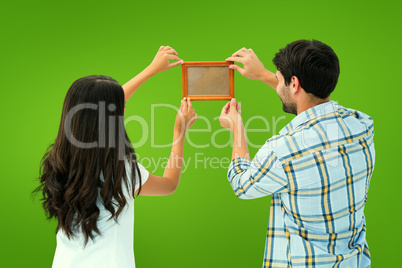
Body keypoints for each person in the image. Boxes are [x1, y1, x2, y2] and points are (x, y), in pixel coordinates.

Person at [34, 46, 198, 268]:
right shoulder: (121, 171)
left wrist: (150, 70)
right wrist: (180, 132)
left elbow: (101, 108)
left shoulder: (59, 160)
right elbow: (169, 184)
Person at [220, 40, 374, 267]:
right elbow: (312, 105)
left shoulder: (282, 151)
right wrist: (264, 74)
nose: (277, 82)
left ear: (294, 83)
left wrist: (238, 130)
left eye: (278, 78)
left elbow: (242, 185)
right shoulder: (362, 125)